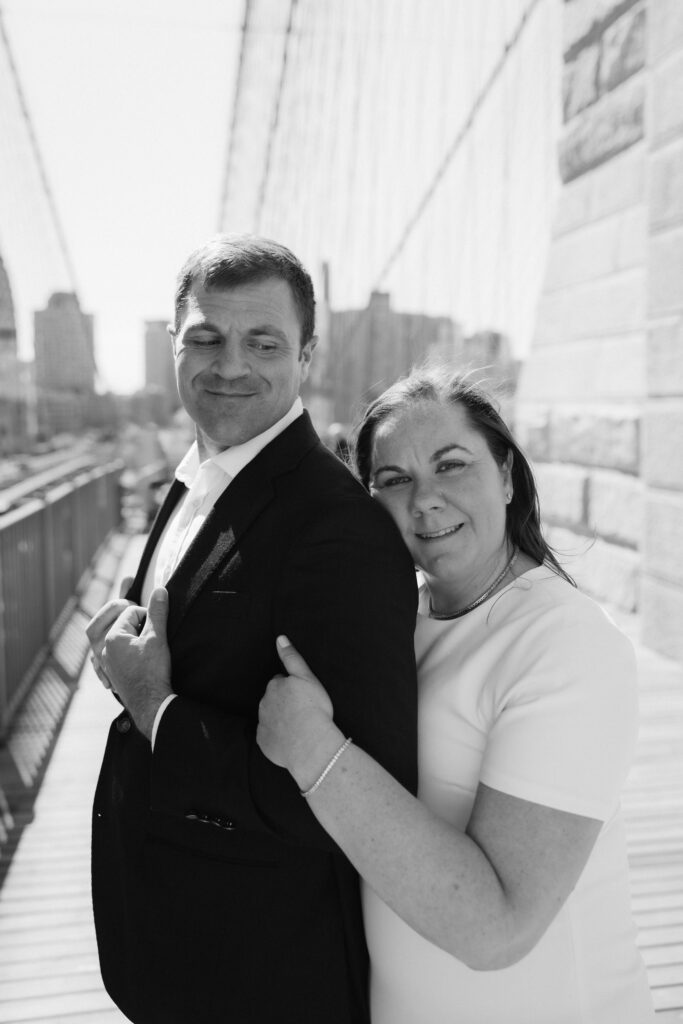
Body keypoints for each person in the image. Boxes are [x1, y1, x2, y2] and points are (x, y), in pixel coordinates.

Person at [86, 234, 418, 1024]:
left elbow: (341, 800)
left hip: (261, 971)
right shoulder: (197, 474)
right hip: (173, 946)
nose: (229, 363)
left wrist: (155, 708)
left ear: (306, 356)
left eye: (262, 342)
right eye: (204, 337)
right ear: (173, 344)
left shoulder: (336, 530)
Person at [257, 368, 656, 1024]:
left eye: (451, 466)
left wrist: (312, 751)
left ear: (504, 475)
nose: (424, 501)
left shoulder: (564, 642)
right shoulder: (394, 625)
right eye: (393, 480)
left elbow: (497, 928)